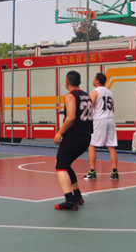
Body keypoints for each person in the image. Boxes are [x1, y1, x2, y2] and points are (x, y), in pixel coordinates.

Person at [53, 70, 93, 211]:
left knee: (60, 166)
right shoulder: (86, 96)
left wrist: (59, 132)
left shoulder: (70, 96)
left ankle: (70, 200)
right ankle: (77, 196)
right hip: (86, 136)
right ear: (80, 82)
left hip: (74, 136)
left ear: (66, 82)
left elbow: (71, 117)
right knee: (66, 163)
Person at [84, 73, 118, 181]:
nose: (93, 80)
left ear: (97, 81)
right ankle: (115, 172)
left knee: (92, 145)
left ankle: (92, 172)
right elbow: (113, 109)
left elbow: (91, 106)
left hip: (99, 120)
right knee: (111, 146)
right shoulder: (110, 92)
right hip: (110, 119)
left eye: (94, 78)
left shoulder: (95, 91)